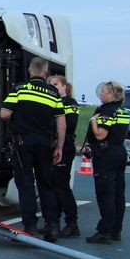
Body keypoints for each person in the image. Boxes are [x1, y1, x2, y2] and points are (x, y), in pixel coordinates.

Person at [0, 57, 66, 242]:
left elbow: (4, 114)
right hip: (45, 144)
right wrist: (59, 147)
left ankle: (30, 225)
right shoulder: (53, 93)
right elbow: (61, 122)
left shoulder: (20, 89)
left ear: (30, 71)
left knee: (26, 184)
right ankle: (52, 225)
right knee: (46, 184)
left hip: (23, 143)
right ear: (45, 73)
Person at [84, 80, 130, 244]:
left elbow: (100, 135)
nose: (101, 94)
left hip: (106, 155)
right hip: (119, 152)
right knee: (118, 193)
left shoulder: (106, 112)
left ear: (112, 94)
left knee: (105, 194)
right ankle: (116, 229)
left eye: (104, 91)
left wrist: (93, 121)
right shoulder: (123, 111)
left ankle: (105, 230)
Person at [48, 75, 80, 237]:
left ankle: (72, 223)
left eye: (55, 85)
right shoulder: (54, 102)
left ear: (64, 86)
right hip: (53, 148)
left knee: (62, 187)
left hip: (65, 148)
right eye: (50, 85)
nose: (53, 87)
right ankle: (54, 223)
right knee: (54, 187)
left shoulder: (70, 103)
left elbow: (71, 124)